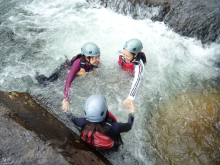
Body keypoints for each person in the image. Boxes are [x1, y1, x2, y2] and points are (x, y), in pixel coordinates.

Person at [35, 42, 101, 110]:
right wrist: (66, 100)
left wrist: (91, 72)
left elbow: (97, 68)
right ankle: (37, 74)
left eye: (99, 56)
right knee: (46, 83)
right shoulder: (77, 63)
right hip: (63, 70)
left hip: (75, 71)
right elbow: (68, 81)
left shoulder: (95, 62)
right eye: (95, 58)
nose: (98, 59)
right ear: (87, 58)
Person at [63, 94, 135, 150]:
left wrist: (66, 108)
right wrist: (132, 110)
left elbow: (72, 119)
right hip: (110, 149)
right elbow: (129, 125)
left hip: (92, 145)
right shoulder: (114, 127)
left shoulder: (83, 122)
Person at [118, 38, 146, 107]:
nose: (124, 56)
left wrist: (130, 98)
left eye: (127, 55)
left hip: (131, 75)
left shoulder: (139, 66)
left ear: (135, 55)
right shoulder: (123, 55)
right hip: (124, 70)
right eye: (124, 53)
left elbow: (136, 82)